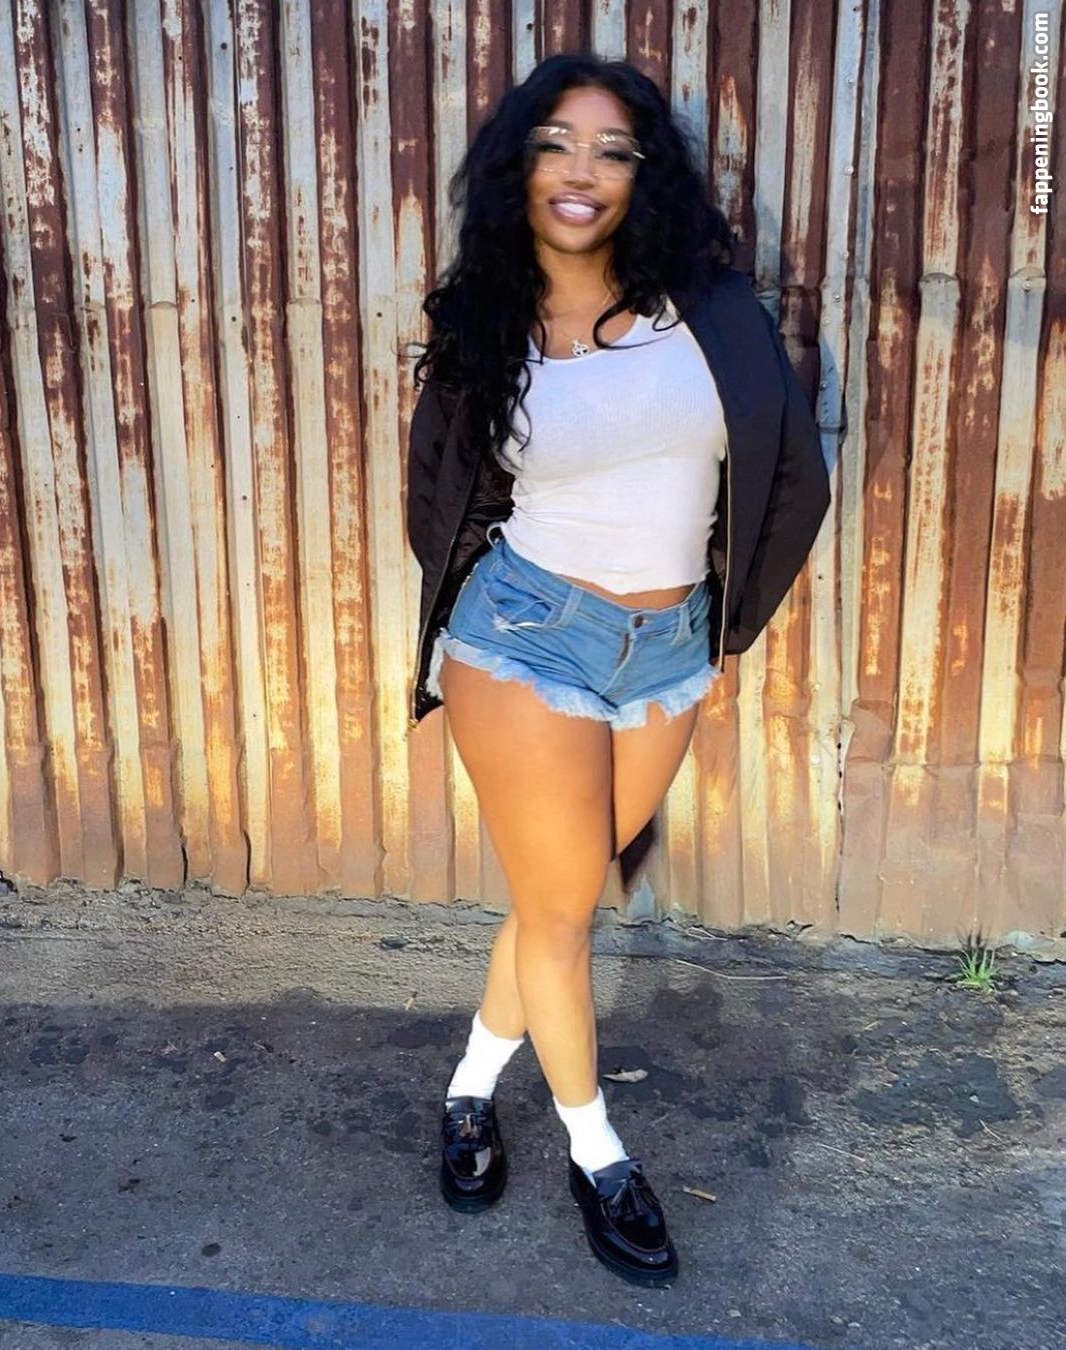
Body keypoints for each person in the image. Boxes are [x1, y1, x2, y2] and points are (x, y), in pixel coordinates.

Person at [405, 53, 831, 1286]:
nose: (580, 170)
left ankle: (469, 1090)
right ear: (518, 168)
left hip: (669, 647)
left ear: (646, 176)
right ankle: (599, 1156)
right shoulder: (486, 325)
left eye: (610, 148)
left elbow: (790, 470)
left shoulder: (712, 309)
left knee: (560, 900)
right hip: (527, 639)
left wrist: (724, 624)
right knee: (563, 914)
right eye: (555, 142)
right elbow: (436, 496)